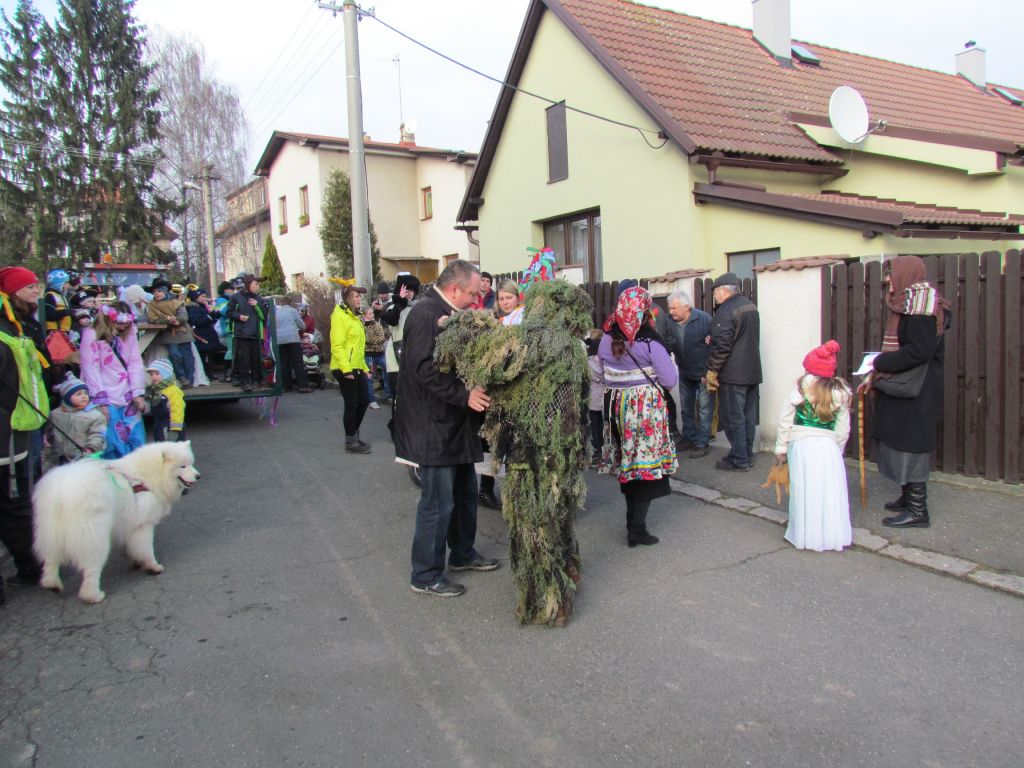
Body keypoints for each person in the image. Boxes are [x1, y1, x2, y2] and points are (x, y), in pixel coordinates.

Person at [394, 260, 498, 597]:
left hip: (456, 424)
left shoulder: (450, 312)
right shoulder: (426, 314)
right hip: (433, 426)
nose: (476, 300)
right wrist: (465, 395)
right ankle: (425, 574)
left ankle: (463, 553)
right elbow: (423, 370)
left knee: (465, 494)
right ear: (454, 289)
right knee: (437, 504)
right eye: (472, 293)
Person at [865, 255, 950, 528]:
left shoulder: (921, 309)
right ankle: (906, 497)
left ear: (907, 274)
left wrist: (880, 362)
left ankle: (917, 510)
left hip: (916, 391)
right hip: (905, 387)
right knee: (898, 440)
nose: (888, 280)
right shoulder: (910, 304)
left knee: (911, 445)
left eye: (891, 274)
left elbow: (918, 352)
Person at [600, 286, 678, 547]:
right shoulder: (650, 343)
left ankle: (632, 523)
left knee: (628, 465)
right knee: (644, 468)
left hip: (616, 408)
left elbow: (602, 372)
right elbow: (669, 380)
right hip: (643, 411)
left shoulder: (605, 339)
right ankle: (637, 528)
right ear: (644, 312)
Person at [774, 340, 852, 551]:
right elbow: (843, 428)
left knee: (804, 487)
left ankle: (804, 532)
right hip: (828, 447)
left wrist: (781, 448)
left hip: (802, 445)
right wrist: (838, 449)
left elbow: (785, 420)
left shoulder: (800, 390)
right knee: (828, 489)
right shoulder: (840, 393)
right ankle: (830, 533)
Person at [0, 267, 48, 595]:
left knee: (13, 501)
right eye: (29, 286)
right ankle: (33, 564)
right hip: (16, 423)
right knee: (14, 501)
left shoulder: (16, 326)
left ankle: (33, 565)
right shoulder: (12, 328)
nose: (35, 290)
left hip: (14, 424)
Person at [706, 272, 762, 472]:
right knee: (747, 417)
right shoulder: (750, 306)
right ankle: (745, 453)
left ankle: (739, 459)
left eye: (715, 292)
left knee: (733, 418)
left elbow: (723, 345)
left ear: (724, 290)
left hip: (733, 374)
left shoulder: (726, 309)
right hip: (752, 372)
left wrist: (712, 370)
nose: (714, 296)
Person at [616, 279, 681, 445]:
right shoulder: (655, 309)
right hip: (658, 362)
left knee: (657, 403)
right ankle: (670, 432)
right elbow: (671, 336)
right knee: (664, 399)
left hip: (644, 372)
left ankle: (666, 433)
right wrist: (666, 354)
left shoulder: (630, 315)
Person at [79, 302, 147, 459]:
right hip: (105, 395)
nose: (123, 327)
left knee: (135, 437)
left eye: (126, 324)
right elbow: (90, 369)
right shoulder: (91, 335)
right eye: (119, 323)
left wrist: (138, 392)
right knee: (113, 440)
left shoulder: (129, 334)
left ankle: (137, 470)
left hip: (127, 393)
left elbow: (135, 362)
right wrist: (100, 400)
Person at [667, 289, 713, 459]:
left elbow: (714, 347)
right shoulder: (670, 322)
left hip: (703, 372)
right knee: (686, 408)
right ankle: (689, 438)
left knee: (704, 410)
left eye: (675, 308)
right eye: (670, 308)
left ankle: (702, 443)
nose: (671, 311)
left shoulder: (704, 319)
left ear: (686, 307)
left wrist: (707, 371)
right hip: (684, 370)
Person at [330, 285, 372, 453]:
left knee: (365, 400)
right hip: (343, 367)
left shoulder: (355, 317)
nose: (359, 299)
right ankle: (351, 441)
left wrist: (364, 367)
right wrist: (346, 370)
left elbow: (358, 347)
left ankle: (354, 434)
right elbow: (337, 345)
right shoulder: (339, 316)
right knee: (352, 403)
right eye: (355, 296)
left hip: (356, 366)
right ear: (347, 298)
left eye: (359, 296)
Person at [43, 371, 107, 470]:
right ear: (67, 397)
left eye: (85, 393)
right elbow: (49, 432)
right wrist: (47, 441)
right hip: (60, 458)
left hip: (84, 457)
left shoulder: (95, 415)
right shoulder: (55, 414)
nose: (83, 396)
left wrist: (91, 449)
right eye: (78, 394)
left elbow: (98, 435)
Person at [383, 273, 420, 429]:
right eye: (406, 290)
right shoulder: (393, 307)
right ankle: (396, 427)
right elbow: (391, 320)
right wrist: (400, 301)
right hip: (396, 358)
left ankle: (410, 427)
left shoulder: (418, 308)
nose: (409, 293)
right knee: (399, 396)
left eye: (412, 290)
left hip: (414, 356)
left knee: (414, 395)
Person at [147, 278, 196, 388]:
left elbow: (184, 317)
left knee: (187, 356)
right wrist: (168, 321)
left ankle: (190, 379)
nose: (157, 294)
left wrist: (177, 320)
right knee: (174, 355)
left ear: (165, 291)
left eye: (159, 291)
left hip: (183, 333)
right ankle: (181, 377)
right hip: (168, 334)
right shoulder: (152, 305)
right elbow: (152, 319)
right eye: (154, 292)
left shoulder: (176, 303)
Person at [227, 273, 271, 392]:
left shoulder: (259, 298)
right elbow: (229, 312)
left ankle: (256, 380)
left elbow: (264, 315)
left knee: (256, 359)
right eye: (256, 284)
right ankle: (245, 382)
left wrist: (257, 306)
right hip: (242, 334)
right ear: (248, 284)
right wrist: (239, 316)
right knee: (243, 359)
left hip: (256, 333)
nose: (258, 286)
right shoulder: (236, 297)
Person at [275, 294, 311, 393]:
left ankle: (286, 386)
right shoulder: (293, 311)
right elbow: (302, 326)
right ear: (290, 303)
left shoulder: (276, 312)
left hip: (280, 340)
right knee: (297, 363)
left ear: (281, 303)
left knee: (284, 363)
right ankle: (303, 386)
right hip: (293, 339)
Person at [187, 289, 225, 381]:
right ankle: (206, 374)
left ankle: (210, 373)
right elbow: (197, 321)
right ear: (196, 298)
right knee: (203, 357)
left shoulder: (203, 307)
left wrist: (214, 316)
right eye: (202, 297)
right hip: (201, 336)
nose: (205, 298)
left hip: (208, 335)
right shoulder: (193, 308)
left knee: (209, 356)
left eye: (205, 296)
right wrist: (209, 317)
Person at [145, 359, 186, 442]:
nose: (153, 377)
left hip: (169, 426)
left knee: (169, 448)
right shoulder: (157, 390)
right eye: (151, 374)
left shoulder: (173, 391)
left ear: (166, 374)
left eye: (157, 374)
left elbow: (177, 411)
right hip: (159, 425)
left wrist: (175, 429)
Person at [362, 305, 390, 409]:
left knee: (388, 369)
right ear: (365, 315)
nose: (372, 315)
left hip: (380, 353)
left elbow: (381, 338)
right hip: (369, 355)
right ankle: (371, 401)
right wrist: (373, 339)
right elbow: (366, 339)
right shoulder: (362, 326)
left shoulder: (377, 324)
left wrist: (373, 340)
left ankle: (388, 393)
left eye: (372, 313)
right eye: (369, 313)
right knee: (369, 378)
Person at [586, 330, 605, 467]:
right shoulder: (606, 361)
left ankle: (596, 450)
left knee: (594, 425)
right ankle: (605, 449)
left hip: (592, 397)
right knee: (604, 424)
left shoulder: (587, 363)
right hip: (604, 396)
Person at [44, 268, 74, 333]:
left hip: (64, 331)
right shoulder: (50, 295)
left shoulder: (62, 296)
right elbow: (48, 315)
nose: (68, 285)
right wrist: (65, 312)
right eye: (66, 282)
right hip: (54, 332)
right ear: (59, 284)